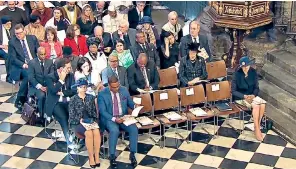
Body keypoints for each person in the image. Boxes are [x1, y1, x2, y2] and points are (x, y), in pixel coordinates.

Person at [98, 75, 138, 168]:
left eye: (117, 86)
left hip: (123, 117)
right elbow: (103, 111)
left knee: (134, 128)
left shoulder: (124, 90)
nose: (116, 89)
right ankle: (112, 156)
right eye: (114, 87)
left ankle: (132, 154)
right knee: (114, 130)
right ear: (109, 85)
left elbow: (130, 103)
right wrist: (114, 119)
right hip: (110, 118)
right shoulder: (102, 94)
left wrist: (135, 106)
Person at [69, 78, 101, 168]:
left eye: (85, 87)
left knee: (96, 132)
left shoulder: (90, 98)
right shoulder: (73, 99)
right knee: (89, 133)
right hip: (78, 123)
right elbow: (71, 115)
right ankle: (91, 158)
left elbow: (94, 112)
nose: (84, 89)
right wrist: (80, 120)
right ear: (77, 88)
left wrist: (93, 121)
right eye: (82, 87)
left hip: (90, 120)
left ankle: (97, 156)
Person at [232, 56, 265, 141]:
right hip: (241, 97)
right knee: (256, 106)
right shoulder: (237, 74)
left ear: (249, 65)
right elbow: (233, 91)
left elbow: (256, 87)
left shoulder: (253, 72)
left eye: (246, 66)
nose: (245, 68)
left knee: (262, 104)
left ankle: (256, 124)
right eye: (243, 67)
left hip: (251, 96)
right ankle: (257, 128)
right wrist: (244, 96)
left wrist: (253, 95)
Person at [45, 58, 76, 146]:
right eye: (68, 68)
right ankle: (68, 139)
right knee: (64, 117)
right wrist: (61, 80)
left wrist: (63, 93)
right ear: (61, 69)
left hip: (69, 101)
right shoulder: (50, 77)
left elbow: (74, 90)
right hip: (56, 103)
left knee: (76, 114)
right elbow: (54, 90)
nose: (70, 69)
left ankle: (76, 136)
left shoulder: (71, 76)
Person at [9, 24, 39, 109]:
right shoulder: (12, 42)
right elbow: (13, 59)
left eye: (20, 33)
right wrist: (24, 65)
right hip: (20, 66)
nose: (18, 35)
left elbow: (38, 52)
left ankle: (36, 97)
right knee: (29, 75)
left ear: (24, 31)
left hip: (34, 63)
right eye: (16, 34)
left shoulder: (32, 38)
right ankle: (20, 99)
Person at [28, 47, 54, 119]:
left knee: (53, 95)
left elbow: (52, 76)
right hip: (36, 86)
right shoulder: (32, 63)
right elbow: (31, 78)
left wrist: (48, 86)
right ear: (37, 54)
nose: (43, 56)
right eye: (41, 54)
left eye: (44, 54)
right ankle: (41, 115)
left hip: (47, 86)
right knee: (42, 96)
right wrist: (40, 86)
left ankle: (49, 113)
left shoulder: (50, 62)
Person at [0, 16, 13, 81]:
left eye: (10, 24)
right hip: (1, 48)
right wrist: (2, 46)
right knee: (8, 56)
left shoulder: (12, 29)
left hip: (10, 47)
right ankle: (9, 77)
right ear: (3, 24)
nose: (9, 25)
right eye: (7, 24)